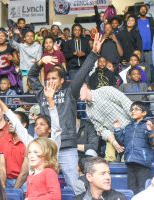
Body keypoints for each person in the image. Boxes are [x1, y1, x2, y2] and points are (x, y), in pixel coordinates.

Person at [28, 33, 104, 193]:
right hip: (46, 148)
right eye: (48, 79)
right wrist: (41, 62)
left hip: (66, 147)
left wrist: (93, 54)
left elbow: (82, 73)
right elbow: (32, 76)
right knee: (41, 186)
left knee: (76, 187)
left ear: (62, 80)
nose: (50, 81)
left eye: (54, 78)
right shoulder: (41, 93)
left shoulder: (70, 92)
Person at [80, 84, 132, 162]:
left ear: (85, 86)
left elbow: (128, 105)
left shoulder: (106, 90)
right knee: (108, 161)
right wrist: (113, 142)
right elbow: (101, 130)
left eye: (77, 89)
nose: (75, 93)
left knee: (127, 160)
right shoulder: (88, 110)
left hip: (131, 130)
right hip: (113, 136)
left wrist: (136, 128)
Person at [114, 101, 154, 194]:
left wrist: (150, 131)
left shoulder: (148, 125)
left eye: (136, 109)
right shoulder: (128, 127)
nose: (133, 111)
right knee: (131, 189)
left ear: (144, 113)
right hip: (130, 162)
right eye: (132, 109)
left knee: (143, 190)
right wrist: (117, 130)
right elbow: (123, 142)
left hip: (142, 162)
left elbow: (153, 142)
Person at [0, 110, 28, 190]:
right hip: (7, 180)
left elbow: (24, 173)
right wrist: (3, 187)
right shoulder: (3, 140)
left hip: (24, 181)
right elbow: (1, 168)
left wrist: (13, 191)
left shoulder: (29, 142)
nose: (10, 123)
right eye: (9, 120)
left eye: (13, 121)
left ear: (23, 125)